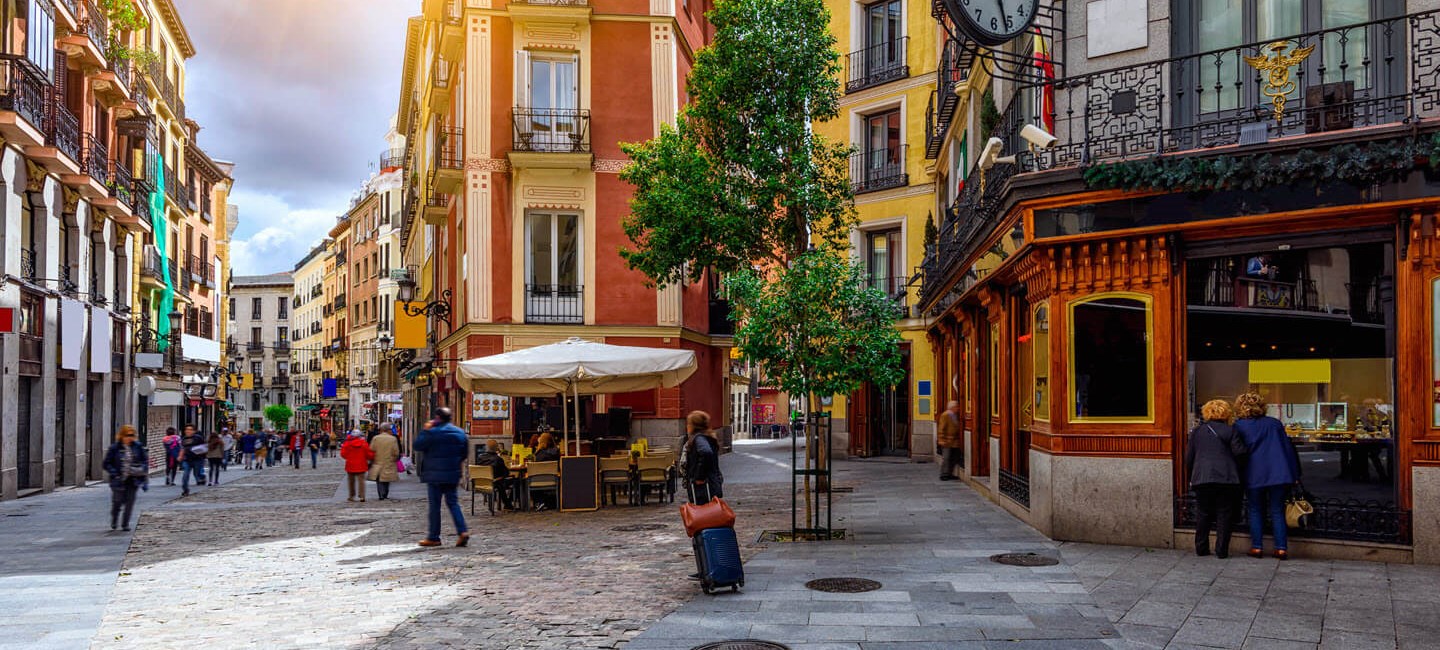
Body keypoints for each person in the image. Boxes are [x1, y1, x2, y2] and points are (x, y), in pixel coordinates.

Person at [1234, 392, 1302, 560]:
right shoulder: (1274, 424)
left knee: (1255, 509)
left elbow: (1238, 452)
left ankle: (1257, 547)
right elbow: (1287, 450)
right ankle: (1281, 548)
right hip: (1278, 473)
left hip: (1253, 473)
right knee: (1277, 510)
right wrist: (1294, 473)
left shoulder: (1239, 426)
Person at [1184, 399, 1248, 558]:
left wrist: (1193, 474)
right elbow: (1239, 452)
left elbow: (1188, 457)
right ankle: (1221, 550)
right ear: (1226, 412)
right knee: (1224, 513)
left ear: (1207, 412)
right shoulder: (1231, 431)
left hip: (1202, 477)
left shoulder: (1197, 432)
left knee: (1203, 513)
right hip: (1226, 478)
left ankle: (1201, 548)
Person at [413, 407, 470, 548]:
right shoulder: (460, 433)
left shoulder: (432, 433)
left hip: (434, 475)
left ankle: (434, 537)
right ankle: (462, 531)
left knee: (435, 506)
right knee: (453, 503)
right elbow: (464, 453)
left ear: (437, 418)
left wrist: (426, 430)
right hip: (453, 473)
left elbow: (417, 445)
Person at [103, 425, 149, 531]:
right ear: (122, 435)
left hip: (133, 479)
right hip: (118, 479)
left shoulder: (138, 446)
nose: (130, 437)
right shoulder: (115, 448)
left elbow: (145, 461)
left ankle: (125, 524)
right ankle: (114, 519)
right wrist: (114, 472)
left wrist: (142, 469)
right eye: (127, 435)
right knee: (117, 501)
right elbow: (106, 463)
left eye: (132, 435)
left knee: (130, 502)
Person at [682, 411, 723, 505]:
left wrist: (699, 476)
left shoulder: (699, 438)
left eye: (689, 423)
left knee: (703, 514)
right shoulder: (707, 437)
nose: (687, 426)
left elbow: (706, 452)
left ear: (693, 425)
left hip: (703, 486)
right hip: (710, 483)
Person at [475, 439, 515, 510]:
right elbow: (506, 473)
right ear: (497, 448)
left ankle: (507, 503)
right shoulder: (498, 459)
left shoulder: (480, 458)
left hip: (481, 482)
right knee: (516, 481)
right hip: (495, 482)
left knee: (500, 481)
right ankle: (508, 503)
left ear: (487, 447)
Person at [367, 424, 401, 500]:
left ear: (381, 430)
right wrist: (395, 459)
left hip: (377, 461)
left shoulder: (376, 438)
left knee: (379, 479)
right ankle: (385, 494)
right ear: (388, 430)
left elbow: (371, 450)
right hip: (389, 461)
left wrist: (371, 459)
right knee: (387, 479)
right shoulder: (392, 439)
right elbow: (396, 452)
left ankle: (381, 495)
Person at [340, 430, 374, 502]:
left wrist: (348, 458)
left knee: (351, 482)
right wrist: (370, 458)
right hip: (361, 464)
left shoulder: (347, 443)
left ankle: (351, 496)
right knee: (361, 481)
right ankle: (362, 496)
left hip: (350, 465)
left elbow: (343, 454)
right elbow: (368, 454)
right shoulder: (363, 443)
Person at [938, 400, 963, 481]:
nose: (958, 408)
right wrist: (941, 439)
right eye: (956, 407)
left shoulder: (955, 415)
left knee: (955, 458)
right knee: (946, 458)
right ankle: (944, 474)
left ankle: (950, 473)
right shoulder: (945, 415)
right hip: (947, 441)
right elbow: (941, 428)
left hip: (954, 442)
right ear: (952, 407)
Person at [180, 424, 206, 496]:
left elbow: (204, 448)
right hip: (187, 460)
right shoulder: (183, 439)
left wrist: (201, 455)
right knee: (185, 475)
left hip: (197, 460)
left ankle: (202, 478)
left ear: (194, 431)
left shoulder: (198, 438)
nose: (188, 431)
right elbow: (182, 448)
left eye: (190, 429)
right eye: (187, 429)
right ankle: (185, 490)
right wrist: (180, 456)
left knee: (196, 474)